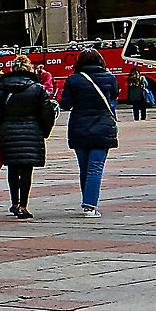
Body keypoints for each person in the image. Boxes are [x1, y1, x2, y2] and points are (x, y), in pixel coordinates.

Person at [0, 62, 55, 220]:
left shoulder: (1, 89)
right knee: (26, 171)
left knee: (12, 168)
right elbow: (47, 113)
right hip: (32, 131)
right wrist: (44, 131)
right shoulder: (37, 89)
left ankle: (14, 203)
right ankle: (23, 206)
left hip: (7, 131)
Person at [61, 48, 119, 217]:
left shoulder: (73, 80)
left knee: (84, 167)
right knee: (95, 167)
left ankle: (88, 203)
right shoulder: (109, 78)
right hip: (103, 126)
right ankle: (90, 205)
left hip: (79, 126)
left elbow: (66, 104)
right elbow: (114, 96)